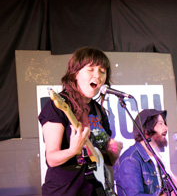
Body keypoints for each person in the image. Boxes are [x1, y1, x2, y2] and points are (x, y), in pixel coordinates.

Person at [38, 47, 123, 196]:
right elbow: (51, 158)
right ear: (75, 73)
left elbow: (105, 158)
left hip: (95, 190)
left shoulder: (98, 111)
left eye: (102, 71)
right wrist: (73, 151)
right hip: (65, 191)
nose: (97, 75)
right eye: (91, 69)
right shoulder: (58, 106)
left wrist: (113, 150)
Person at [115, 109, 177, 196]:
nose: (166, 128)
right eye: (160, 124)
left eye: (164, 124)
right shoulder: (130, 159)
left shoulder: (156, 158)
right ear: (146, 130)